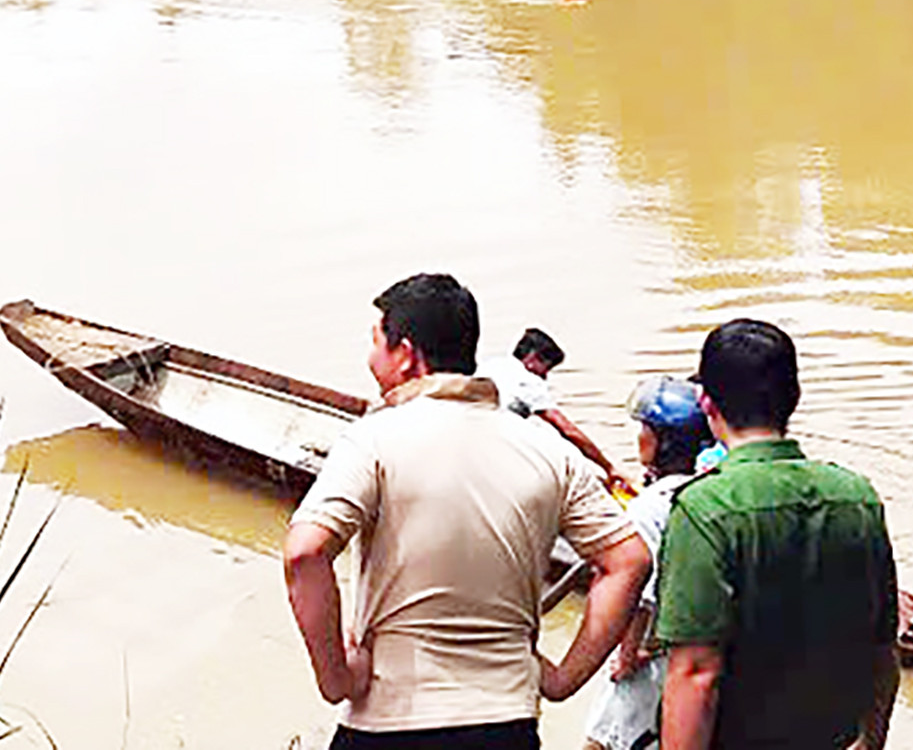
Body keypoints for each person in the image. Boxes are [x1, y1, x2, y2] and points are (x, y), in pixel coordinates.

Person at [284, 273, 653, 750]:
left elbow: (304, 554)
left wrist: (336, 677)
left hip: (389, 723)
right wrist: (562, 678)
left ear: (406, 354)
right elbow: (630, 560)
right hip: (507, 725)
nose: (370, 357)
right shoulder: (546, 449)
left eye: (375, 341)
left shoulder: (373, 439)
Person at [655, 320, 898, 750]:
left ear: (706, 401)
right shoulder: (857, 498)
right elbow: (882, 650)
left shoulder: (704, 509)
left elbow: (696, 674)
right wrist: (871, 743)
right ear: (794, 398)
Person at [582, 377, 715, 750]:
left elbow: (641, 592)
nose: (639, 436)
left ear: (664, 441)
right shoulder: (704, 492)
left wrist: (628, 655)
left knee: (603, 742)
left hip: (646, 655)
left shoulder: (648, 506)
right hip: (686, 655)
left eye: (645, 429)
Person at [480, 327, 631, 492]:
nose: (545, 377)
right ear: (532, 358)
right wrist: (608, 467)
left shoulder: (490, 365)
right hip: (496, 453)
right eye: (547, 368)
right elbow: (567, 430)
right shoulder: (528, 380)